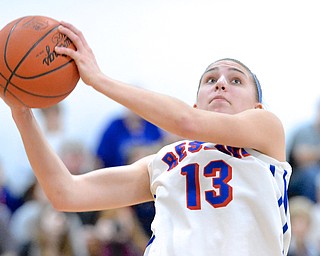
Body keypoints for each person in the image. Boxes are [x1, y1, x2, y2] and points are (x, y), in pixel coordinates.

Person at [0, 21, 292, 256]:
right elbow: (66, 193)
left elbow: (185, 122)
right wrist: (21, 112)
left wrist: (99, 80)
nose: (221, 84)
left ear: (257, 107)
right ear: (196, 103)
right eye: (210, 79)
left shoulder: (266, 130)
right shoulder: (165, 160)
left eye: (236, 80)